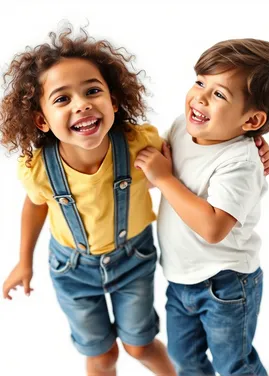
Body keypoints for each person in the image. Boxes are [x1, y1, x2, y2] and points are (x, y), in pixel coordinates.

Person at [0, 27, 176, 376]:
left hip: (133, 259)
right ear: (42, 120)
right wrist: (24, 261)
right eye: (62, 99)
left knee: (139, 344)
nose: (82, 104)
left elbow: (181, 171)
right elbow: (35, 206)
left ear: (112, 102)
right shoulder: (38, 170)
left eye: (92, 91)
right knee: (102, 355)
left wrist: (248, 152)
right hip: (72, 270)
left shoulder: (139, 143)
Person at [134, 38, 269, 376]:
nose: (200, 97)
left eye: (219, 94)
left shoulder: (240, 161)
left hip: (225, 284)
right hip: (180, 278)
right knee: (183, 358)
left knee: (234, 364)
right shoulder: (183, 128)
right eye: (200, 82)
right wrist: (155, 174)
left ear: (251, 121)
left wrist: (164, 179)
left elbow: (212, 228)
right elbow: (156, 175)